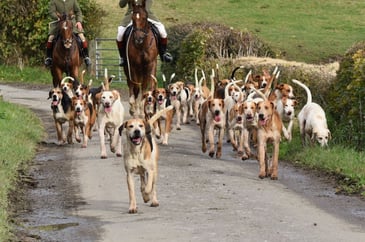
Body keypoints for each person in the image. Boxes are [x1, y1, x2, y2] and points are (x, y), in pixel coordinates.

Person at [116, 0, 173, 66]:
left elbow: (148, 4)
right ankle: (123, 57)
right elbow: (121, 5)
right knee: (120, 35)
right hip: (131, 16)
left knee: (162, 31)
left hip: (146, 14)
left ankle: (163, 53)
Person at [44, 0, 91, 67]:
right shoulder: (54, 1)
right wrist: (57, 17)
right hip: (59, 22)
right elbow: (51, 12)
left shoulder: (73, 1)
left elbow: (78, 12)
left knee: (82, 37)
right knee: (50, 38)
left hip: (72, 23)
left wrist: (79, 21)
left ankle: (86, 57)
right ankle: (49, 58)